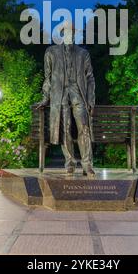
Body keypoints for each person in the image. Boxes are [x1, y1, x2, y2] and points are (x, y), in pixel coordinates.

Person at [37, 24, 95, 177]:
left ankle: (87, 164)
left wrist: (91, 100)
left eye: (72, 32)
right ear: (62, 34)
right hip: (60, 95)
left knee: (84, 128)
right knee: (65, 130)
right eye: (67, 31)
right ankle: (70, 163)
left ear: (75, 34)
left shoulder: (83, 53)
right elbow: (48, 78)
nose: (70, 34)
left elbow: (90, 78)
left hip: (78, 94)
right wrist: (45, 97)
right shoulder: (51, 52)